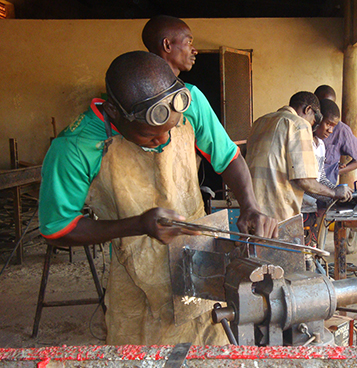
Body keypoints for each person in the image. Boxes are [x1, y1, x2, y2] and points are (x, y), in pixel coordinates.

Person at [39, 51, 277, 346]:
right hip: (134, 276)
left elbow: (228, 157)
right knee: (142, 350)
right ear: (113, 111)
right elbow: (57, 229)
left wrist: (250, 205)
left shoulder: (189, 101)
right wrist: (137, 225)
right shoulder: (76, 147)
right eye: (150, 136)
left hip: (201, 262)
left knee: (210, 344)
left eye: (171, 129)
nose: (164, 140)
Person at [246, 91, 352, 222]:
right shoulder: (299, 125)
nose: (313, 125)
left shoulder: (259, 122)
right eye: (314, 120)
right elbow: (304, 180)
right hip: (278, 214)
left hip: (251, 210)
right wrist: (335, 193)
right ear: (308, 109)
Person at [301, 99, 341, 245]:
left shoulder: (321, 145)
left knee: (311, 248)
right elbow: (305, 182)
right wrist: (332, 195)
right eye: (328, 124)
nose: (330, 130)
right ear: (317, 120)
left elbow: (320, 177)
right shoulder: (304, 143)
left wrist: (337, 191)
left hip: (311, 207)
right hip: (299, 208)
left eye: (333, 126)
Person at [314, 85, 357, 185]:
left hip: (325, 189)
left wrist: (335, 171)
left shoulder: (341, 130)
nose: (330, 130)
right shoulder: (304, 128)